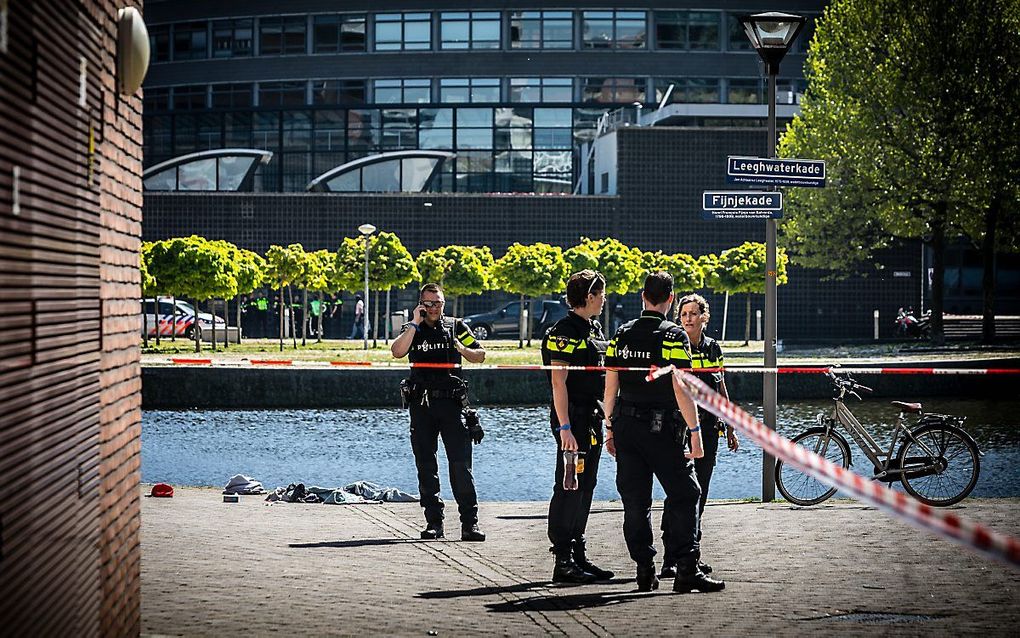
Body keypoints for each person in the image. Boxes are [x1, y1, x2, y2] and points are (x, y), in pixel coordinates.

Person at [603, 272, 725, 594]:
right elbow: (681, 387)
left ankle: (644, 569)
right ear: (670, 300)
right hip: (662, 430)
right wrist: (696, 432)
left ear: (643, 296)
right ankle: (687, 571)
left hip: (627, 427)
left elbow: (610, 386)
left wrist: (609, 428)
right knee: (686, 494)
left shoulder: (621, 334)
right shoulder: (673, 336)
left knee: (635, 501)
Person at [390, 283, 487, 542]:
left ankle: (470, 524)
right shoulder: (413, 329)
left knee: (460, 466)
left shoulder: (456, 327)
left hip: (452, 406)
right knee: (426, 465)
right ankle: (434, 523)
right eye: (429, 303)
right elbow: (397, 352)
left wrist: (462, 350)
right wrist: (413, 322)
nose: (434, 308)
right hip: (422, 406)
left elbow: (480, 355)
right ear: (421, 304)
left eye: (439, 303)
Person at [659, 293, 739, 580]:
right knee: (679, 492)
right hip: (681, 429)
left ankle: (691, 554)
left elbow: (720, 386)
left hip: (708, 428)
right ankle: (671, 557)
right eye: (683, 314)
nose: (688, 319)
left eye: (693, 314)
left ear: (704, 317)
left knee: (700, 493)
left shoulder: (713, 348)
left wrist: (730, 425)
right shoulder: (674, 344)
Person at [541, 270, 614, 584]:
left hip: (593, 419)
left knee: (587, 485)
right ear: (588, 297)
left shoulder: (593, 328)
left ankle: (578, 552)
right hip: (572, 419)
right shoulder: (565, 332)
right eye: (601, 294)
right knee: (569, 486)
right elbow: (559, 384)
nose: (604, 299)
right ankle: (562, 560)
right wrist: (565, 428)